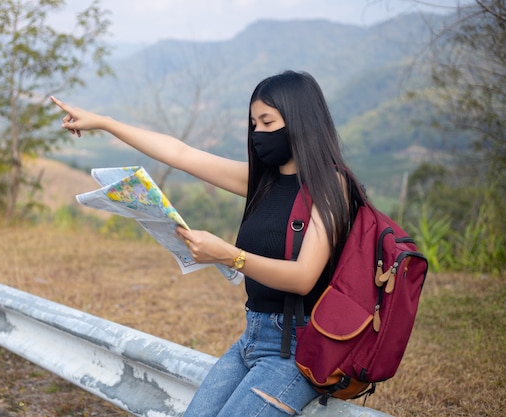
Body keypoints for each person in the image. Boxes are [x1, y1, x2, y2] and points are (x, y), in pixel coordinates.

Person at [51, 70, 362, 416]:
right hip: (253, 337)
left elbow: (304, 276)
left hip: (295, 350)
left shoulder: (331, 187)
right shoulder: (263, 181)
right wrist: (105, 123)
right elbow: (180, 154)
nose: (258, 133)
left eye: (267, 122)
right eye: (253, 123)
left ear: (300, 122)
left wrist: (231, 257)